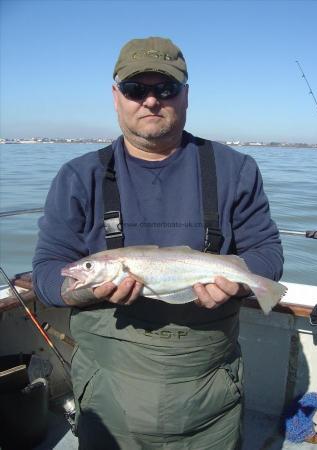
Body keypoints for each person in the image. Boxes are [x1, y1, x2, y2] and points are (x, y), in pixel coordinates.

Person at [33, 36, 284, 450]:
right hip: (108, 398)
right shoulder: (79, 177)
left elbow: (268, 253)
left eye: (164, 88)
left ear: (185, 96)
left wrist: (239, 283)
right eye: (135, 89)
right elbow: (47, 270)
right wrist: (79, 289)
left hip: (211, 396)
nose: (150, 101)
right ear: (117, 97)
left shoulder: (236, 169)